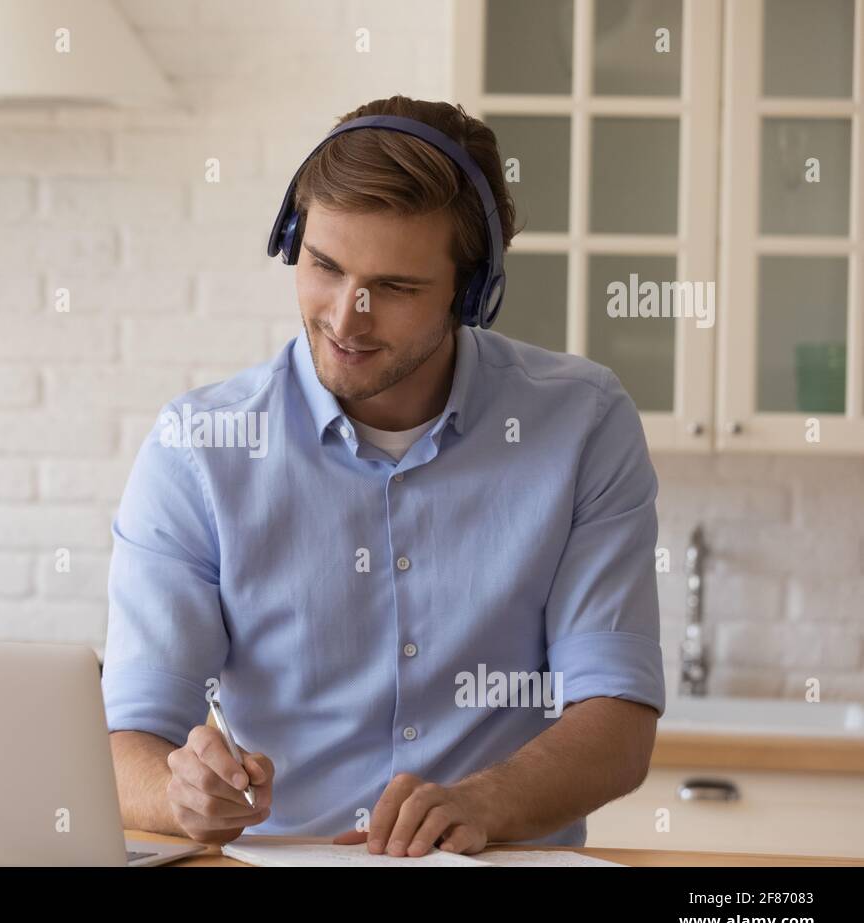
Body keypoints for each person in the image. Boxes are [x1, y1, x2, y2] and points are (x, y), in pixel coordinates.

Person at [102, 94, 663, 857]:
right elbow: (126, 736)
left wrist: (485, 802)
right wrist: (181, 791)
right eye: (323, 266)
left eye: (396, 288)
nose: (346, 315)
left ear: (472, 293)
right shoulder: (200, 448)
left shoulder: (583, 425)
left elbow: (618, 719)